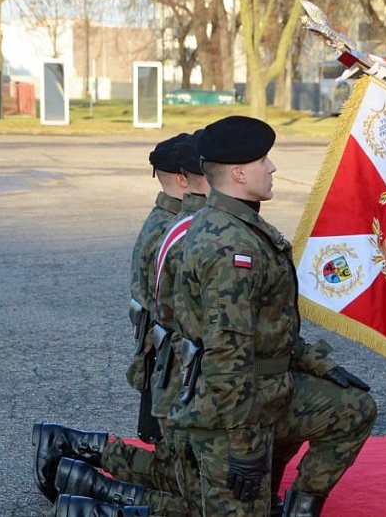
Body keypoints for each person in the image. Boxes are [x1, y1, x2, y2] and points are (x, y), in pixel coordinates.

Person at [168, 115, 378, 517]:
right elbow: (225, 357)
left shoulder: (240, 224)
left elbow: (267, 326)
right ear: (240, 173)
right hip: (230, 417)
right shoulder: (230, 245)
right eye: (264, 160)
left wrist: (322, 365)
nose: (273, 167)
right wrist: (243, 446)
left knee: (352, 408)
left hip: (266, 394)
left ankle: (297, 511)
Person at [32, 135, 195, 516]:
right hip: (169, 364)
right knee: (189, 482)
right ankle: (93, 486)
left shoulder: (166, 221)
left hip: (163, 358)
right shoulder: (174, 229)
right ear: (185, 179)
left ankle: (81, 473)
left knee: (181, 472)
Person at [150, 131, 210, 517]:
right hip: (179, 377)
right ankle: (86, 467)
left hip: (171, 371)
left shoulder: (173, 223)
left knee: (186, 482)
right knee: (190, 495)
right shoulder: (182, 230)